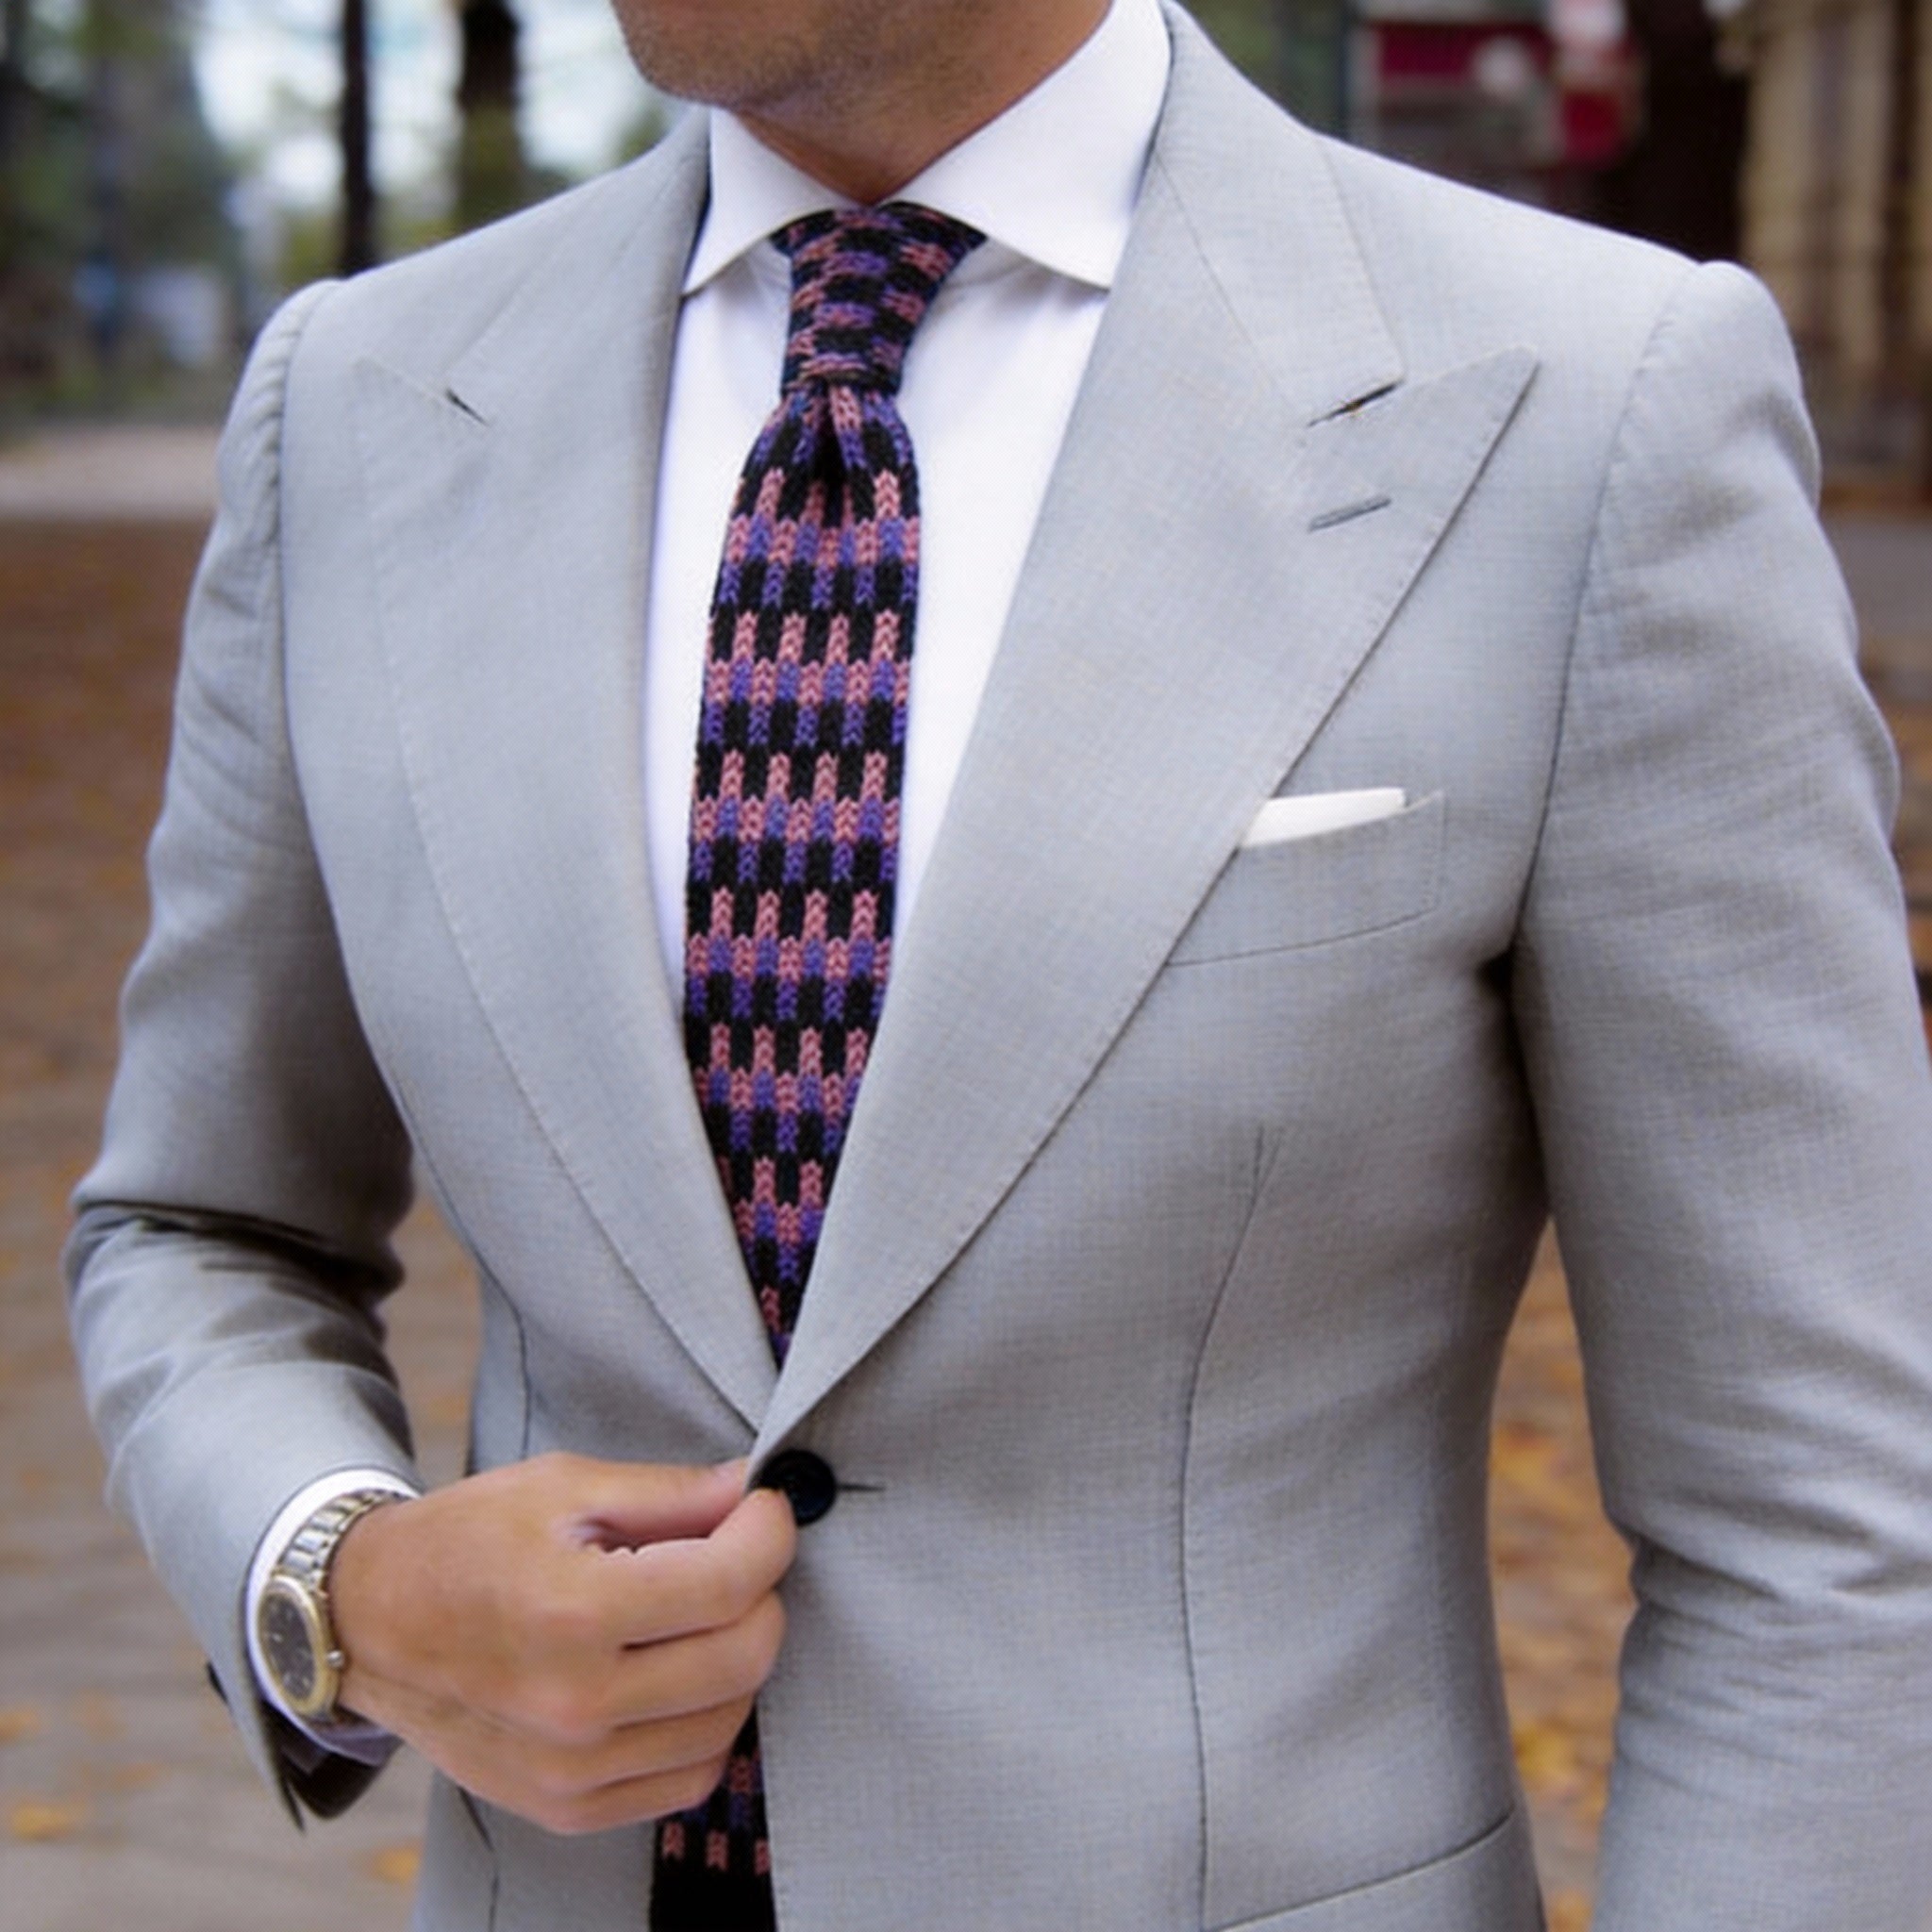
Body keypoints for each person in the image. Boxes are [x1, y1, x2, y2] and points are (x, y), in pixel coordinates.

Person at [65, 0, 1932, 1925]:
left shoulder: (1594, 400)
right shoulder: (362, 402)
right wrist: (335, 1576)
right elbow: (204, 1222)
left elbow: (1819, 1533)